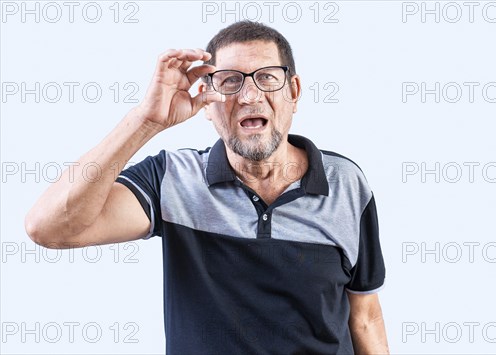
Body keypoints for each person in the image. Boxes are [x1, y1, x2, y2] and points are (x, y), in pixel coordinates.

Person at [25, 21, 388, 354]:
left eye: (267, 77)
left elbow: (365, 314)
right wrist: (146, 121)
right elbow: (49, 227)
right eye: (230, 81)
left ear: (293, 91)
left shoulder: (346, 183)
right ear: (208, 103)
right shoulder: (173, 178)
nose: (249, 95)